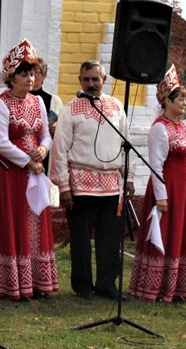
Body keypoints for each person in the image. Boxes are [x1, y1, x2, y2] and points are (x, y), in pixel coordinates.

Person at [0, 39, 59, 300]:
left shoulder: (38, 103)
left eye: (32, 73)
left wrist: (43, 149)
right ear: (11, 77)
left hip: (33, 169)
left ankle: (34, 281)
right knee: (10, 220)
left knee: (33, 219)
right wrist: (27, 160)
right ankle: (5, 282)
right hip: (7, 172)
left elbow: (45, 133)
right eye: (24, 74)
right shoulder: (0, 103)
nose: (30, 78)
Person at [51, 60, 134, 300]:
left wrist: (128, 177)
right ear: (80, 81)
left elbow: (126, 144)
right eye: (86, 79)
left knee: (110, 239)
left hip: (110, 184)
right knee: (81, 240)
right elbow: (60, 150)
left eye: (95, 79)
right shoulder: (70, 110)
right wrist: (64, 186)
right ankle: (83, 286)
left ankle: (108, 285)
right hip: (80, 183)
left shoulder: (116, 106)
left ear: (104, 80)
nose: (91, 84)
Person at [129, 65, 186, 303]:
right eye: (179, 99)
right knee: (166, 234)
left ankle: (181, 287)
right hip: (169, 189)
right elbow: (156, 165)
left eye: (184, 98)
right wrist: (161, 197)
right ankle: (158, 287)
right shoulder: (160, 128)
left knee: (182, 234)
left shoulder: (184, 126)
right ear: (167, 101)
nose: (184, 103)